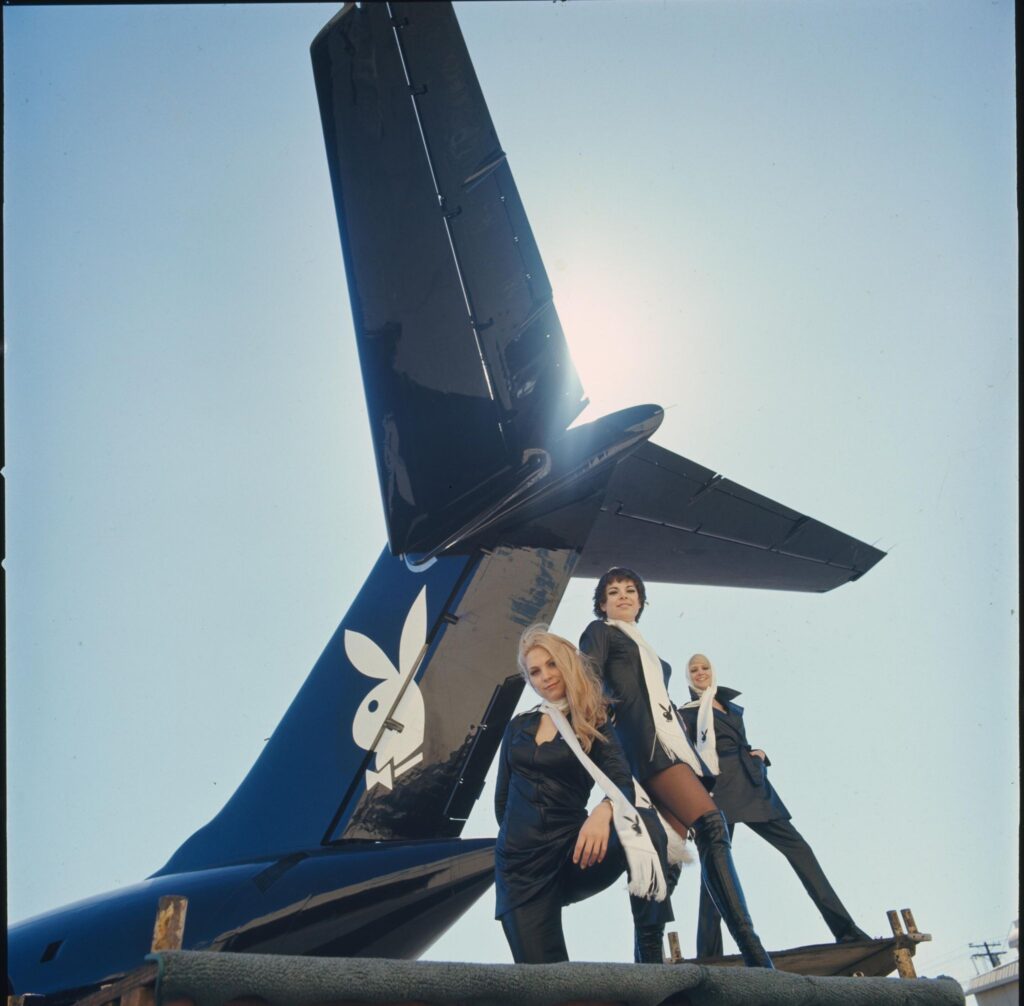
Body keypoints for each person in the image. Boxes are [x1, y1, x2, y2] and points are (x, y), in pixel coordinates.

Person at [580, 568, 774, 969]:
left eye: (631, 591)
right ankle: (756, 955)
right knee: (712, 825)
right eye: (612, 592)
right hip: (642, 750)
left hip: (670, 748)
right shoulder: (600, 634)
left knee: (660, 858)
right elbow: (589, 687)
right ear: (601, 603)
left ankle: (647, 967)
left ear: (642, 600)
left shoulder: (650, 653)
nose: (622, 597)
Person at [494, 625, 678, 964]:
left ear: (567, 664)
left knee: (646, 825)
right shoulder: (518, 726)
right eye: (535, 671)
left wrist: (604, 811)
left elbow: (621, 780)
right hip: (520, 871)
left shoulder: (593, 719)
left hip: (573, 852)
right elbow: (502, 803)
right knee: (547, 988)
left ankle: (650, 955)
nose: (545, 677)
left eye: (551, 665)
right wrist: (515, 844)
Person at [680, 653, 870, 956]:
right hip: (718, 790)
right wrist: (692, 805)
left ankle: (846, 931)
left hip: (753, 786)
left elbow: (739, 742)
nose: (700, 672)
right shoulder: (687, 713)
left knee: (800, 850)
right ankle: (709, 953)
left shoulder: (729, 705)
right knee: (715, 868)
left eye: (705, 667)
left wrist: (760, 754)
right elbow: (688, 759)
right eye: (694, 669)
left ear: (713, 671)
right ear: (687, 677)